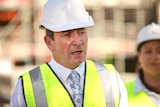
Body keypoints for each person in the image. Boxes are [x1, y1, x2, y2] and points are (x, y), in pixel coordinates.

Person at [9, 0, 128, 107]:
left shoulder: (111, 79)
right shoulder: (27, 87)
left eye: (82, 32)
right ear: (49, 43)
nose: (78, 41)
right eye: (67, 34)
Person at [125, 22, 160, 107]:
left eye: (159, 51)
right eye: (148, 51)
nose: (154, 57)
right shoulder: (121, 93)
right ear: (139, 56)